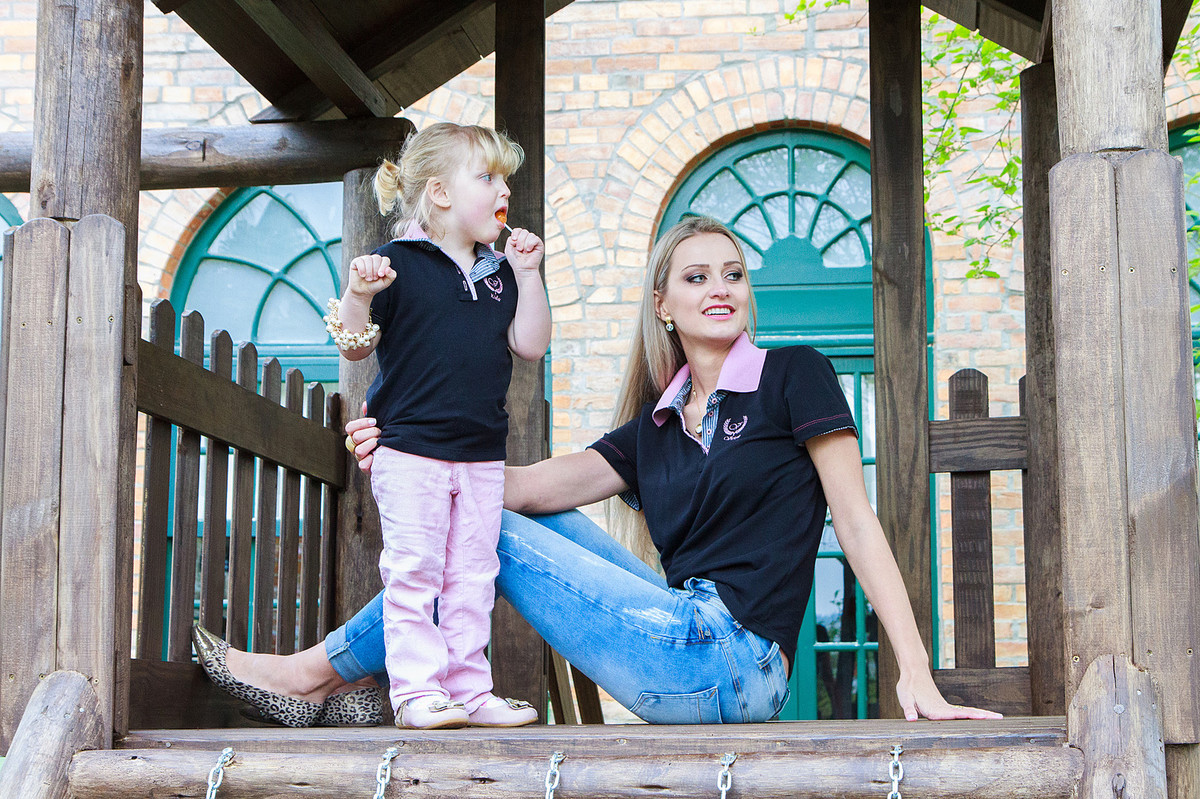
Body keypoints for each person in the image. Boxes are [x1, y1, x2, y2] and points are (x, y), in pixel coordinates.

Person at [196, 216, 1001, 726]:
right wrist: (410, 454)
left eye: (732, 273)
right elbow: (512, 489)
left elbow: (855, 522)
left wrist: (915, 672)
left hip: (734, 661)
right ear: (664, 305)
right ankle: (355, 683)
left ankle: (313, 674)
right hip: (678, 630)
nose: (720, 288)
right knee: (489, 512)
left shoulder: (795, 375)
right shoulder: (654, 427)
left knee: (487, 532)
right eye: (696, 277)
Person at [194, 123, 551, 731]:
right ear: (440, 192)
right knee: (415, 572)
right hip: (409, 452)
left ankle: (469, 690)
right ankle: (416, 692)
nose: (504, 191)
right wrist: (358, 294)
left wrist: (528, 274)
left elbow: (531, 344)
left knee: (473, 575)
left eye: (505, 180)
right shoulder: (396, 264)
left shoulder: (498, 273)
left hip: (481, 455)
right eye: (487, 178)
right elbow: (354, 346)